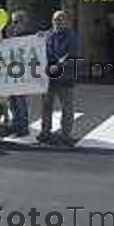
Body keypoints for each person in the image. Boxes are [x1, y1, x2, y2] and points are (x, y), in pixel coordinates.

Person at [39, 10, 78, 147]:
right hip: (49, 78)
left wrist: (59, 66)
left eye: (61, 19)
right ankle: (45, 132)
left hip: (65, 78)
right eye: (55, 19)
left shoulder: (71, 36)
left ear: (67, 21)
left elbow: (71, 55)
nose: (57, 22)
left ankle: (66, 135)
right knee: (46, 106)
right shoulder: (47, 35)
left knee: (67, 109)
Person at [4, 10, 32, 136]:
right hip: (11, 72)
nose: (13, 24)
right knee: (12, 101)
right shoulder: (12, 35)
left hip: (22, 74)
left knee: (21, 102)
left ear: (23, 22)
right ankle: (15, 124)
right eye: (12, 21)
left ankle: (23, 127)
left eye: (16, 21)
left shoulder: (29, 36)